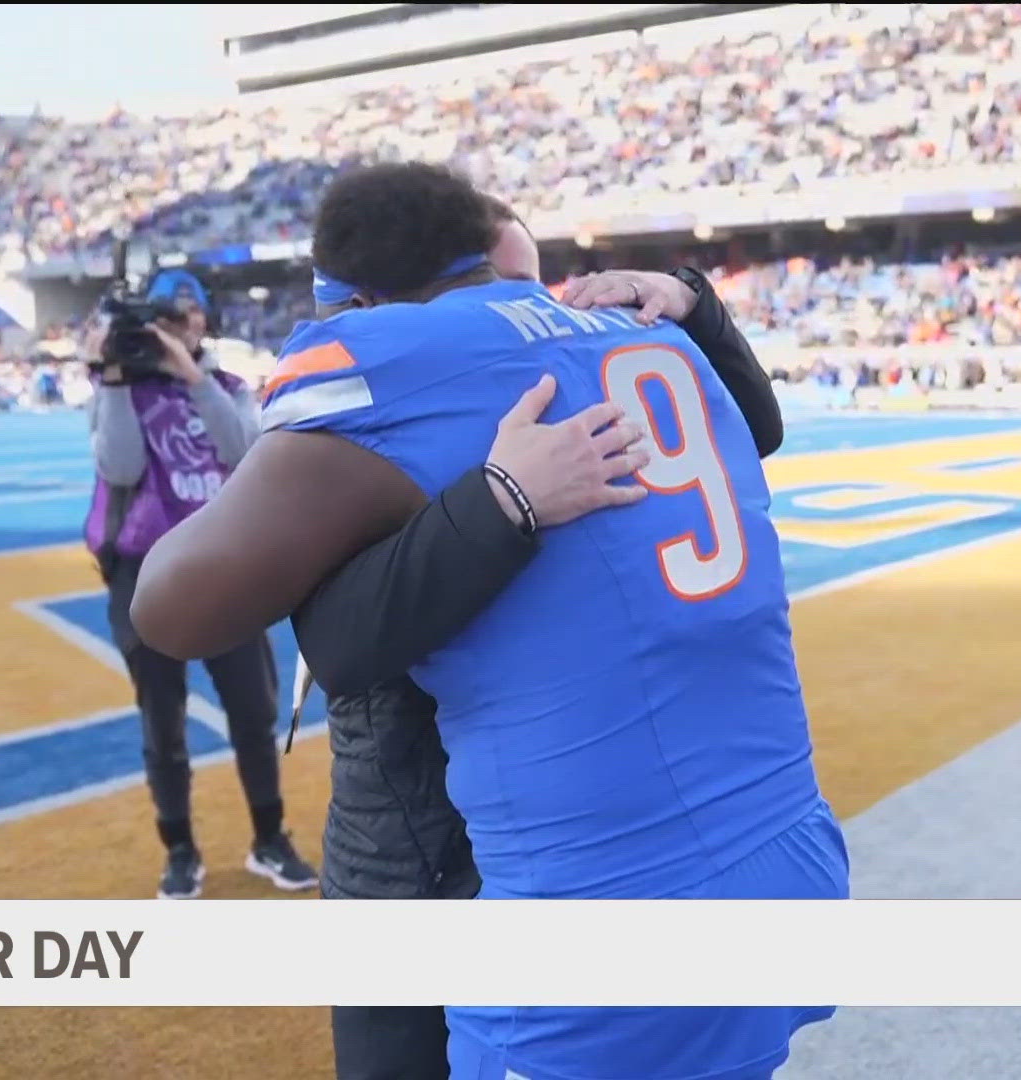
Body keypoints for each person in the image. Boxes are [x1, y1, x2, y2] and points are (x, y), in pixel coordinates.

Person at [131, 162, 846, 1079]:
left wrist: (496, 495)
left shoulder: (390, 358)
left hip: (591, 918)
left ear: (353, 301)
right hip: (787, 858)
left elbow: (172, 608)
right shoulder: (658, 340)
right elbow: (758, 422)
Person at [286, 198, 786, 1080]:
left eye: (532, 288)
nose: (534, 314)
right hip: (416, 848)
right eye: (505, 287)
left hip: (560, 838)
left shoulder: (558, 400)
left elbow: (755, 428)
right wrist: (502, 500)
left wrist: (689, 304)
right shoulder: (368, 426)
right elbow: (337, 640)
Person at [84, 268, 317, 900]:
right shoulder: (117, 387)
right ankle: (180, 850)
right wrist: (111, 376)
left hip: (223, 560)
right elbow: (122, 464)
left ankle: (269, 836)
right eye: (164, 318)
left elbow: (244, 452)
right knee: (163, 719)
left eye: (186, 316)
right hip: (146, 570)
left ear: (204, 322)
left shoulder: (230, 385)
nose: (175, 329)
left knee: (252, 711)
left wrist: (193, 376)